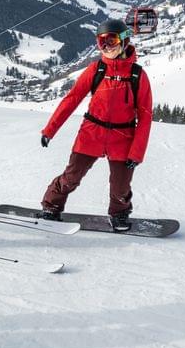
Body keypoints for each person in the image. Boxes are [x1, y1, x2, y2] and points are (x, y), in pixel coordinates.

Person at [39, 19, 153, 231]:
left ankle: (119, 213)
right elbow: (71, 99)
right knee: (71, 177)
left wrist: (136, 153)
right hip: (92, 133)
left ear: (124, 41)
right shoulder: (97, 69)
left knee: (120, 187)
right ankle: (51, 205)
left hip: (123, 136)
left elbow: (145, 117)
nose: (106, 47)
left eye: (111, 40)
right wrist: (50, 130)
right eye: (101, 43)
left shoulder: (138, 75)